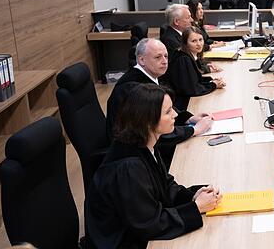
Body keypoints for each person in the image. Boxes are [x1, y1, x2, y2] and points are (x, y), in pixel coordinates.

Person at [85, 84, 222, 249]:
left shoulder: (146, 141)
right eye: (168, 112)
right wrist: (196, 208)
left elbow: (165, 185)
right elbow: (148, 224)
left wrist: (192, 196)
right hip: (121, 242)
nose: (175, 115)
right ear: (148, 120)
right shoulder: (129, 168)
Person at [106, 38, 213, 147]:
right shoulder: (135, 88)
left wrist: (188, 118)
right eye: (158, 57)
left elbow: (163, 109)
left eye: (166, 56)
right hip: (133, 150)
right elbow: (156, 133)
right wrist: (194, 130)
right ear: (142, 60)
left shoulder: (150, 76)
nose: (164, 61)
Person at [163, 27, 225, 112]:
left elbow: (194, 79)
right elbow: (192, 89)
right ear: (185, 43)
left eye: (200, 39)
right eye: (193, 41)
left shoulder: (189, 55)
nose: (199, 44)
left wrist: (211, 80)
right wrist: (213, 85)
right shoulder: (183, 59)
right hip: (183, 106)